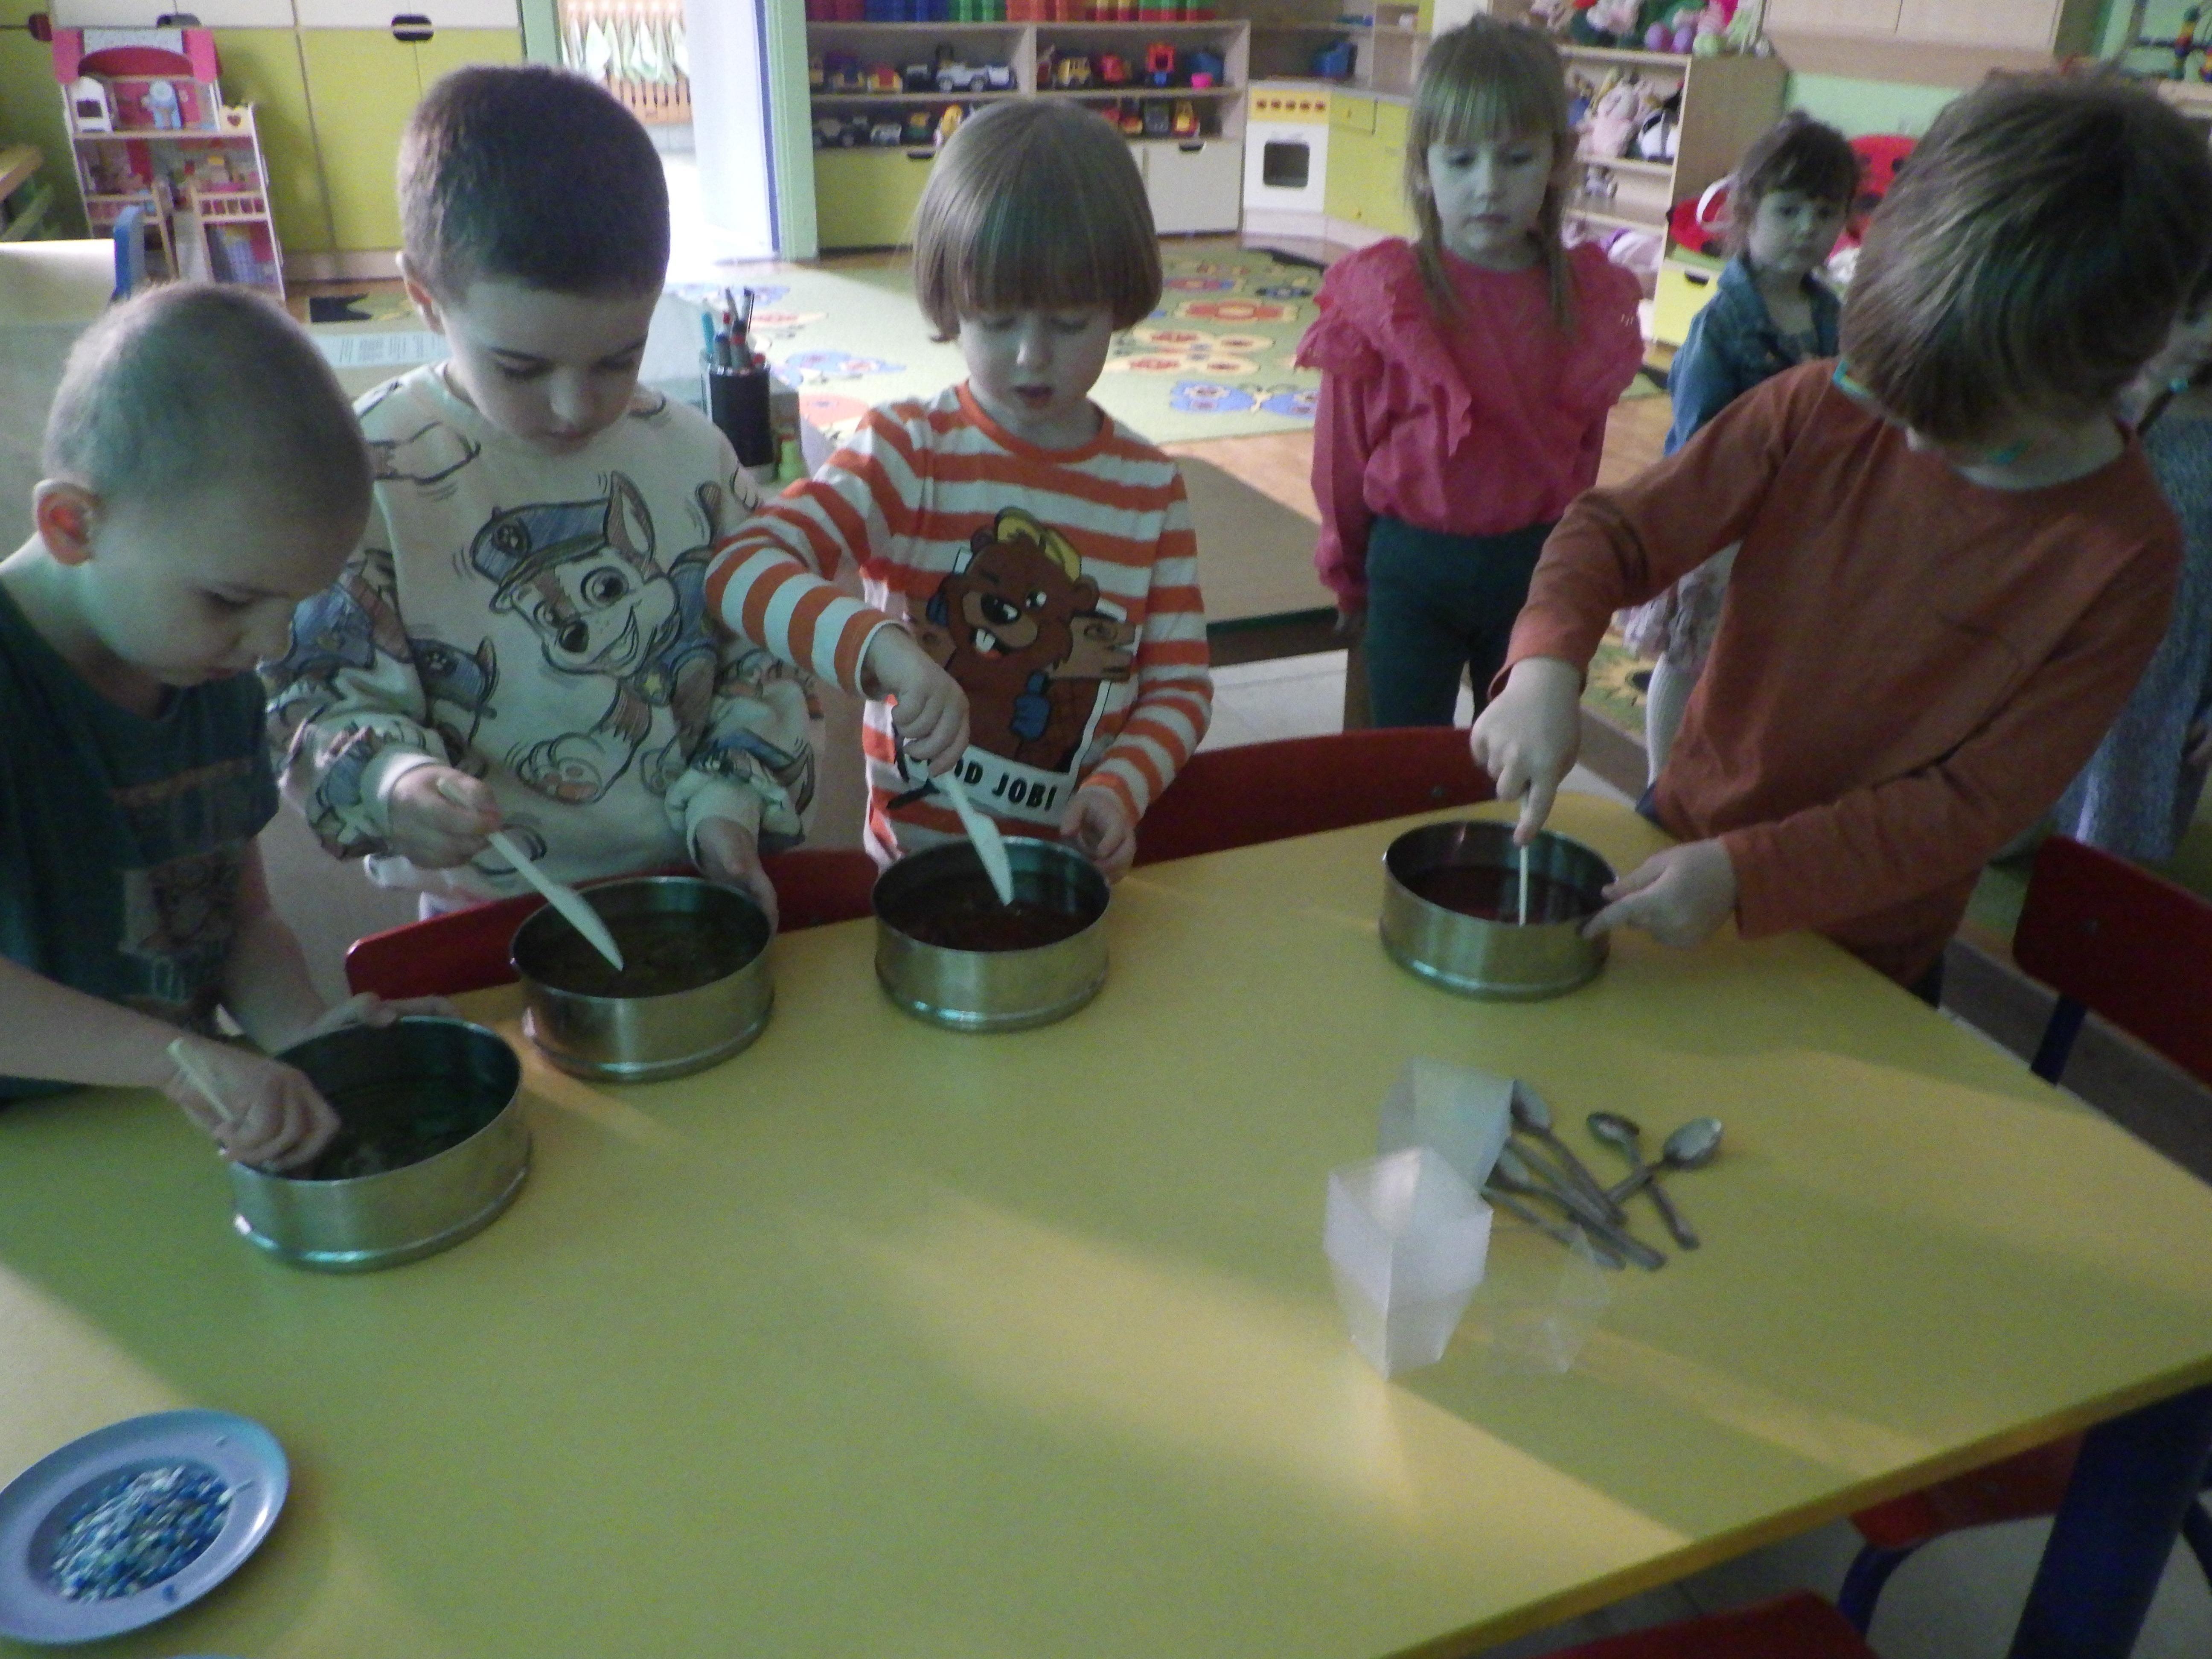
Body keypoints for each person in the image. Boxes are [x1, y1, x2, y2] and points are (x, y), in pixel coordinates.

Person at [1470, 71, 2212, 998]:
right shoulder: (1820, 404)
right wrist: (1544, 666)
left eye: (1967, 430)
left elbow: (1971, 807)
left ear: (2123, 371)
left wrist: (1749, 874)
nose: (1910, 441)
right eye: (1886, 395)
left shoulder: (2125, 558)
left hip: (1867, 948)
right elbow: (1614, 531)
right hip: (1682, 835)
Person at [264, 64, 965, 930]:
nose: (574, 407)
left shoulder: (691, 458)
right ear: (424, 299)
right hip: (481, 909)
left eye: (618, 360)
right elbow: (316, 696)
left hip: (688, 875)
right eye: (521, 368)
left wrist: (730, 807)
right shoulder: (365, 473)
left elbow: (760, 665)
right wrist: (391, 782)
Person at [705, 101, 1211, 876]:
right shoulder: (907, 451)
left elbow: (1180, 691)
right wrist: (881, 649)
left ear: (1120, 303)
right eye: (998, 321)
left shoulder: (1149, 489)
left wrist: (1121, 788)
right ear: (952, 303)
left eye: (1071, 323)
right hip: (911, 873)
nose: (1031, 357)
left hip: (1068, 876)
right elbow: (738, 572)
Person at [0, 286, 441, 1170]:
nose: (270, 644)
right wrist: (173, 1061)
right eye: (232, 600)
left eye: (294, 605)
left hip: (171, 1130)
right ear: (74, 524)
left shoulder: (206, 665)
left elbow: (238, 924)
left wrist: (305, 1037)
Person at [1297, 17, 1643, 728]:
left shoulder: (1584, 297)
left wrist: (1567, 577)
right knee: (1403, 758)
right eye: (1461, 160)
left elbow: (1582, 454)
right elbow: (1341, 459)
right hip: (1411, 568)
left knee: (1513, 755)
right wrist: (1347, 574)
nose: (1489, 186)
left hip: (1531, 569)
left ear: (1557, 160)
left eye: (1516, 158)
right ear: (1423, 167)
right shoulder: (1386, 297)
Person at [1619, 112, 1857, 782]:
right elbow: (1698, 437)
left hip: (1799, 521)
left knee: (1765, 652)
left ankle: (1734, 771)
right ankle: (1662, 780)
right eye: (1789, 210)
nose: (1808, 228)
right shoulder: (1722, 323)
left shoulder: (1831, 315)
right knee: (1689, 657)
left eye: (1825, 212)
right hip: (1721, 523)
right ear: (1749, 212)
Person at [2053, 305, 2212, 863]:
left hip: (2163, 682)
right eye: (2191, 315)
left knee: (2100, 860)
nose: (2207, 337)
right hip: (2056, 655)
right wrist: (2147, 389)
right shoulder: (2091, 398)